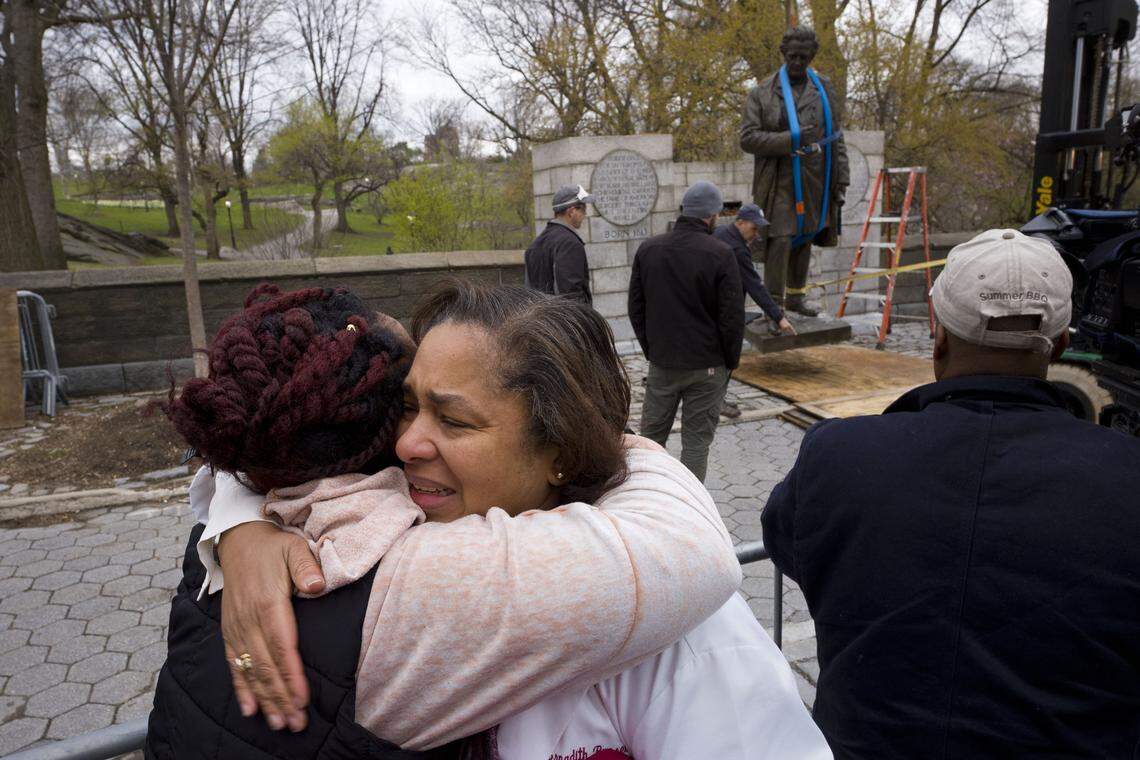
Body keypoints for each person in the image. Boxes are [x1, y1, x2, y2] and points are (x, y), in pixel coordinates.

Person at [150, 282, 780, 755]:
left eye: (453, 420)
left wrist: (235, 520)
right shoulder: (384, 546)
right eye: (404, 407)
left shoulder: (679, 628)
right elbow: (687, 540)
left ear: (559, 446)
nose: (406, 445)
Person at [761, 229, 1140, 759]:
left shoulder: (838, 457)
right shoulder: (1126, 474)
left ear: (937, 335)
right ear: (1057, 345)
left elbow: (787, 544)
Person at [628, 181, 744, 481]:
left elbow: (636, 309)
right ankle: (689, 512)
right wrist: (730, 361)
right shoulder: (721, 253)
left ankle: (643, 501)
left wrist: (653, 350)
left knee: (649, 442)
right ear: (713, 215)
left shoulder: (649, 249)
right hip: (707, 366)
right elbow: (731, 317)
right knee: (696, 445)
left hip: (663, 363)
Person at [740, 26, 849, 316]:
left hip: (816, 177)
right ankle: (773, 304)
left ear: (812, 55)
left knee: (806, 235)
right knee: (781, 237)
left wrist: (842, 179)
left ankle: (796, 298)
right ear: (783, 54)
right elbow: (748, 138)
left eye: (803, 57)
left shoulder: (824, 88)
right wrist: (792, 139)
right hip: (779, 179)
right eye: (792, 57)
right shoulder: (762, 92)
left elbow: (836, 136)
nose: (798, 62)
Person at [713, 203, 795, 419]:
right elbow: (755, 286)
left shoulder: (720, 233)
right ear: (740, 222)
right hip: (725, 313)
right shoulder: (737, 249)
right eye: (754, 228)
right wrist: (779, 318)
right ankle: (716, 402)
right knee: (726, 357)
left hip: (711, 307)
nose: (757, 234)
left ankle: (714, 399)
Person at [524, 184, 594, 304]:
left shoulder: (535, 244)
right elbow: (571, 295)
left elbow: (528, 290)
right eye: (583, 209)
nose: (585, 214)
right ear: (571, 211)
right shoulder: (570, 244)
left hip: (539, 320)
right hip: (564, 321)